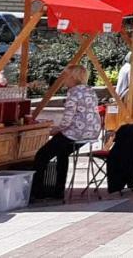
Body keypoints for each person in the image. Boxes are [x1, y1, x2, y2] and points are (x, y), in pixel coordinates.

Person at [32, 65, 101, 201]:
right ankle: (58, 190)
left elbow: (68, 118)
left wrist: (57, 129)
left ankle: (37, 191)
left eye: (65, 76)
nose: (63, 79)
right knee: (62, 153)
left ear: (72, 77)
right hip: (91, 131)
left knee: (41, 156)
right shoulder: (90, 90)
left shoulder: (73, 92)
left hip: (76, 131)